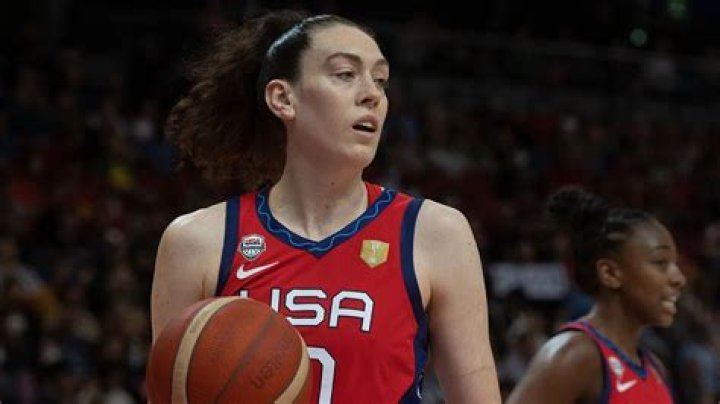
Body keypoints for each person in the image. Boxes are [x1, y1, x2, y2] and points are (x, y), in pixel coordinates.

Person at [150, 9, 501, 403]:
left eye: (380, 80)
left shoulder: (436, 234)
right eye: (345, 74)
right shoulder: (197, 242)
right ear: (283, 98)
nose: (372, 94)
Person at [507, 186, 686, 404]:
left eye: (675, 264)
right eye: (660, 262)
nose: (679, 278)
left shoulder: (655, 367)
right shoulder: (576, 354)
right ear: (610, 273)